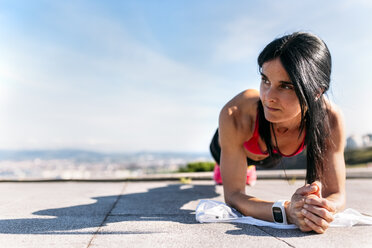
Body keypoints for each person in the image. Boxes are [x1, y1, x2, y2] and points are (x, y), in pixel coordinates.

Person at [209, 32, 346, 234]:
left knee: (265, 158)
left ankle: (247, 168)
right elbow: (234, 196)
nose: (268, 97)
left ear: (317, 91)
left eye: (286, 86)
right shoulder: (236, 114)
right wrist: (286, 211)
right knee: (225, 171)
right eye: (265, 80)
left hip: (272, 155)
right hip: (230, 145)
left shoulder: (330, 119)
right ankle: (230, 166)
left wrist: (318, 210)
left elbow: (337, 194)